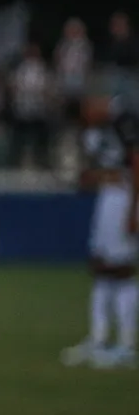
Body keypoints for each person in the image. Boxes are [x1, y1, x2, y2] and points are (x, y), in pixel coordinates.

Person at [63, 96, 139, 369]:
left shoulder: (125, 122)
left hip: (124, 198)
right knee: (100, 266)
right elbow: (106, 167)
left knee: (122, 270)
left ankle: (128, 345)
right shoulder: (99, 131)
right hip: (107, 197)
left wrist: (133, 211)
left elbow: (135, 164)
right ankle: (99, 339)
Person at [10, 42, 53, 170]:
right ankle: (15, 161)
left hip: (38, 108)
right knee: (19, 136)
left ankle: (42, 160)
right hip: (23, 107)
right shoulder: (21, 69)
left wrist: (39, 94)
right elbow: (14, 86)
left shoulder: (42, 69)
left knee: (41, 135)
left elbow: (47, 87)